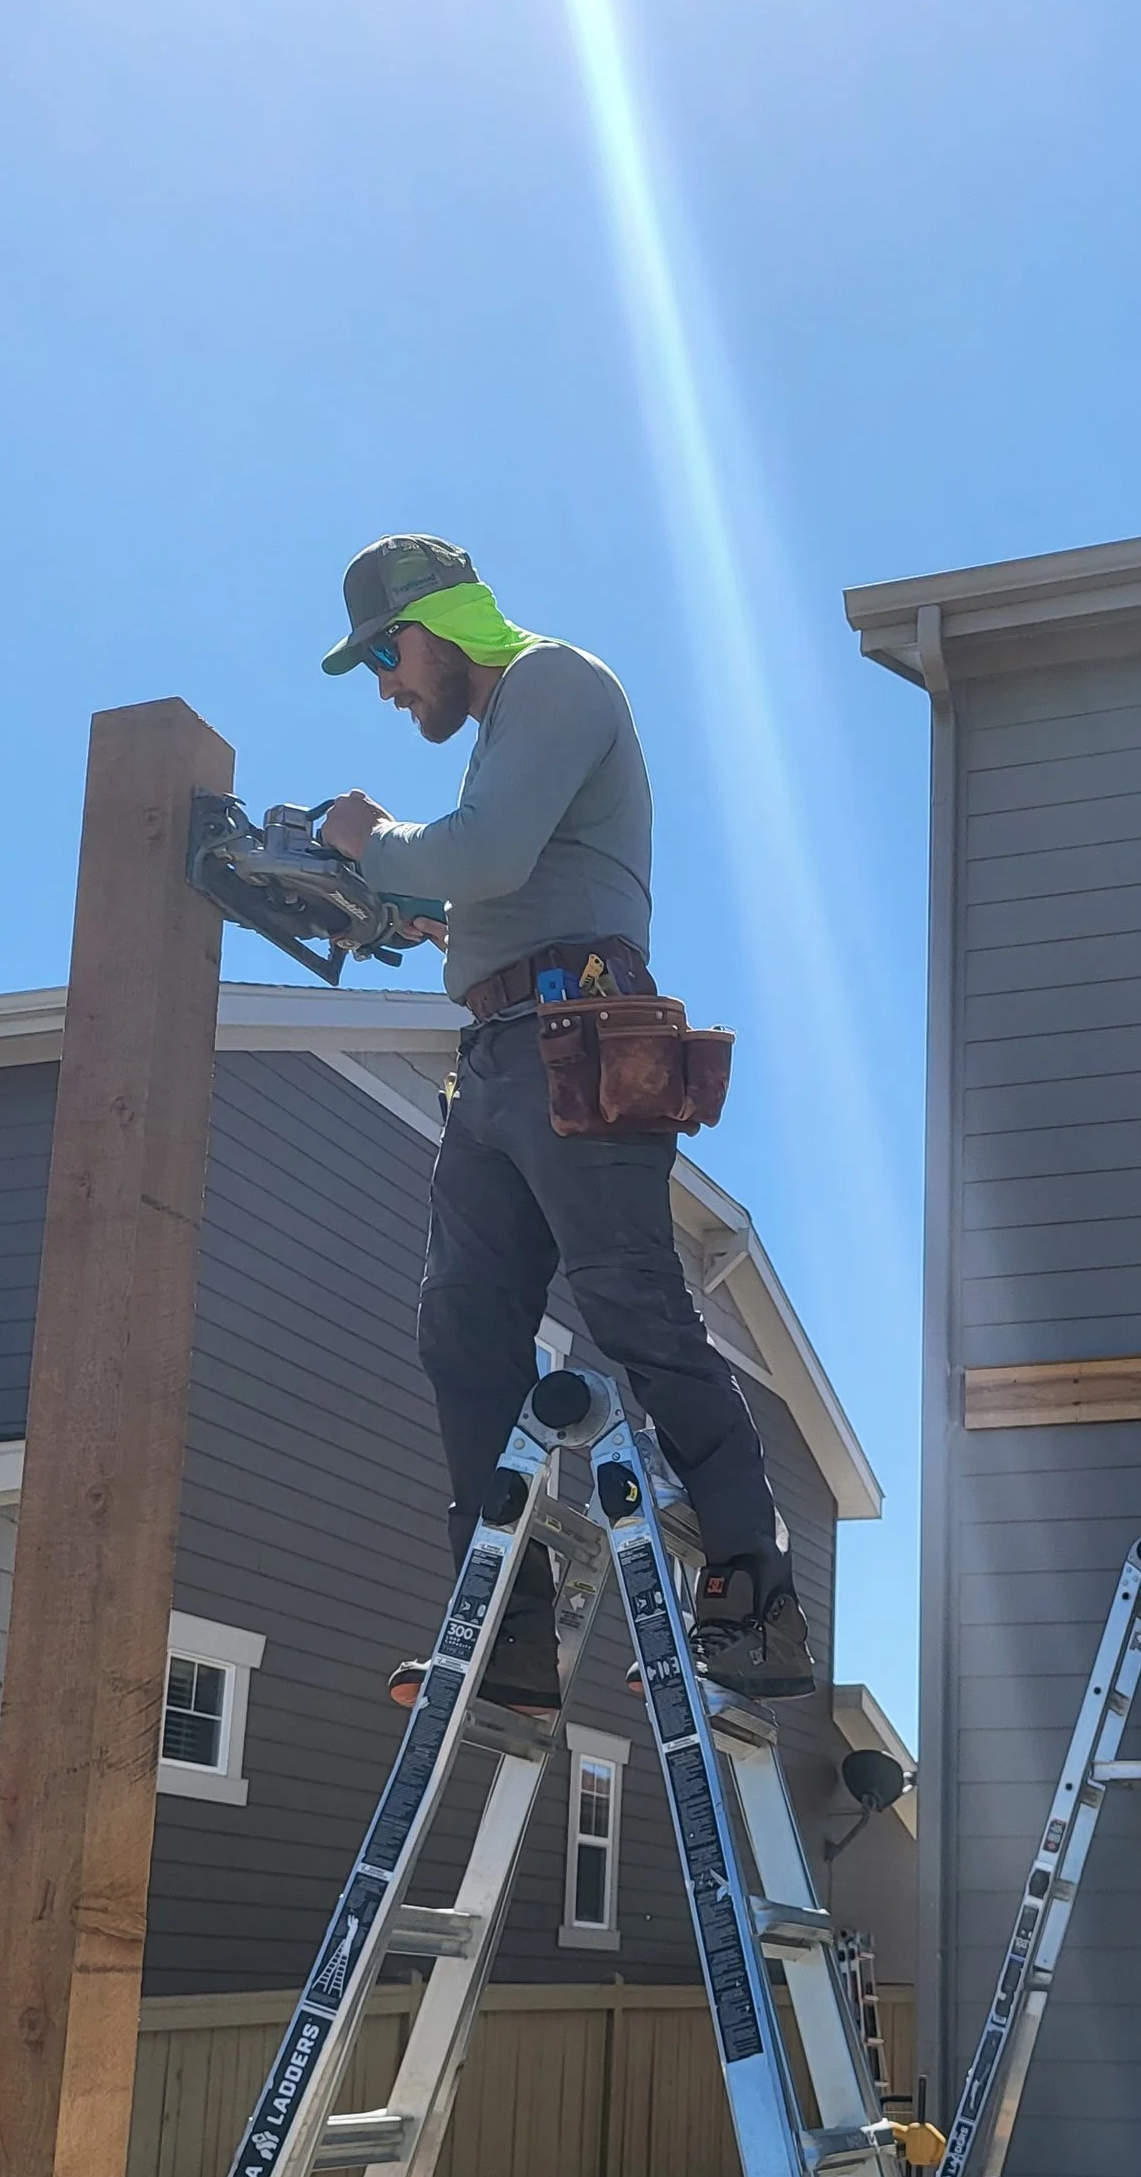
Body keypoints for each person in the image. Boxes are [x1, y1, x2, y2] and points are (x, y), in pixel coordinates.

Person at [315, 533, 815, 1706]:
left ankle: (756, 1600)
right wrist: (405, 916)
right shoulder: (504, 731)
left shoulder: (557, 681)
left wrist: (363, 842)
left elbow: (481, 854)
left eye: (387, 653)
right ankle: (506, 1637)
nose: (387, 685)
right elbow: (505, 886)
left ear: (441, 620)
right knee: (462, 1330)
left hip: (577, 1041)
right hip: (500, 1055)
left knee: (633, 1304)